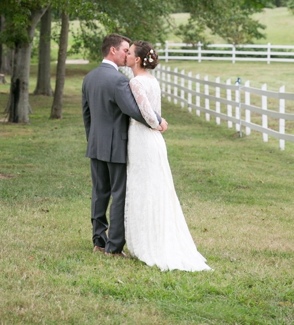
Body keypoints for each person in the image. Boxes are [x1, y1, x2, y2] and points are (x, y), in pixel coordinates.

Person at [123, 40, 211, 271]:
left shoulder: (135, 81)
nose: (127, 55)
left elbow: (148, 114)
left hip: (143, 135)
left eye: (130, 53)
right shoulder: (153, 81)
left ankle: (147, 242)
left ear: (138, 59)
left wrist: (158, 123)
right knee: (156, 186)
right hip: (154, 141)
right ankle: (155, 234)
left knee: (143, 185)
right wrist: (159, 123)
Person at [82, 33, 167, 257]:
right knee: (119, 194)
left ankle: (99, 241)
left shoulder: (89, 78)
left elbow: (87, 115)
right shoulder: (119, 80)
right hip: (117, 146)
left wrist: (92, 140)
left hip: (96, 145)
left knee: (99, 193)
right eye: (124, 50)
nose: (126, 54)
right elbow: (134, 110)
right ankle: (114, 246)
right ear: (113, 51)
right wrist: (158, 120)